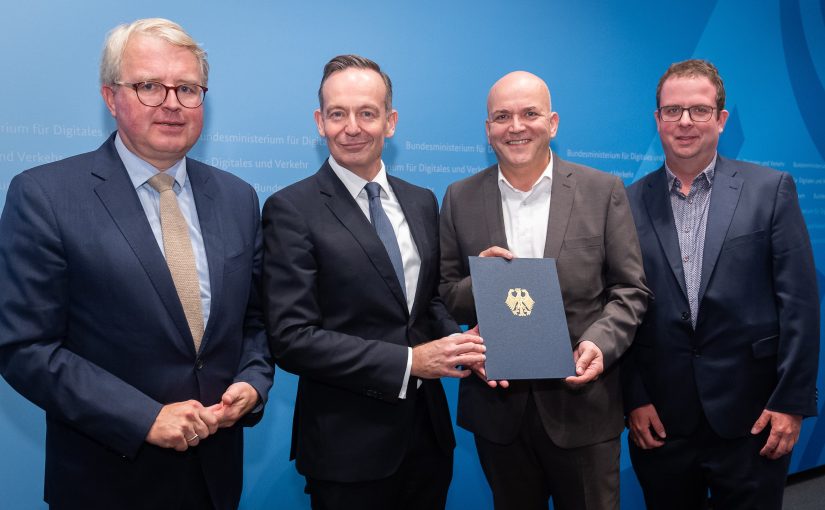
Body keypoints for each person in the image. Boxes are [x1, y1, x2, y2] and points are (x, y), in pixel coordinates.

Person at [0, 18, 273, 510]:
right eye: (149, 86)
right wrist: (143, 417)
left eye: (188, 88)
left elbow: (254, 320)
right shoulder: (45, 195)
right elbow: (25, 347)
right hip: (106, 480)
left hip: (215, 479)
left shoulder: (238, 198)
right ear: (111, 97)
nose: (172, 103)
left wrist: (252, 383)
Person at [262, 54, 486, 510]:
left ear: (391, 121)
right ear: (319, 122)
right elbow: (291, 339)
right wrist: (409, 362)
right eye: (337, 113)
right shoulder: (291, 209)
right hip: (346, 449)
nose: (352, 127)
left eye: (367, 113)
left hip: (427, 439)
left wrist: (465, 345)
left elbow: (426, 306)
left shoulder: (421, 201)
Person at [439, 70, 649, 510]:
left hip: (584, 406)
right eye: (502, 116)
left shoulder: (602, 190)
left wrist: (599, 342)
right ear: (487, 129)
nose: (516, 127)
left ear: (552, 123)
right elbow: (443, 293)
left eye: (529, 113)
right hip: (498, 410)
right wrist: (481, 284)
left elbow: (630, 290)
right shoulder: (459, 197)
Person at [621, 58, 820, 509]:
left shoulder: (770, 190)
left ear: (722, 119)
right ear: (657, 120)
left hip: (755, 418)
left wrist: (791, 402)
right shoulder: (626, 204)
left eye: (699, 110)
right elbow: (619, 308)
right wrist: (633, 398)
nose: (685, 121)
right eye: (672, 111)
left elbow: (800, 306)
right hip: (661, 423)